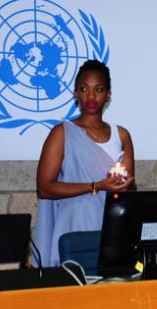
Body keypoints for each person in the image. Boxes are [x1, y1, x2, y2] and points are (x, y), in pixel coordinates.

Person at [33, 60, 135, 267]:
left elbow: (130, 187)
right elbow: (45, 188)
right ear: (76, 93)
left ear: (108, 94)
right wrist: (96, 186)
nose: (90, 96)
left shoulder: (121, 135)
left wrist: (124, 185)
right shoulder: (62, 133)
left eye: (98, 89)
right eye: (84, 89)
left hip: (110, 223)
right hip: (74, 223)